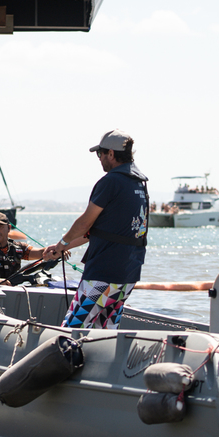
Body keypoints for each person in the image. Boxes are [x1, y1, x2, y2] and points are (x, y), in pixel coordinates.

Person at [48, 129, 149, 328]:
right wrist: (62, 247)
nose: (99, 158)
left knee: (72, 329)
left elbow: (85, 223)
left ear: (111, 153)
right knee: (105, 330)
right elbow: (98, 231)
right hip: (127, 275)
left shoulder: (111, 181)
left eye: (100, 153)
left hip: (102, 275)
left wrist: (63, 243)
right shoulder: (139, 183)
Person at [0, 212, 54, 291]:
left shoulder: (17, 247)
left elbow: (41, 252)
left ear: (8, 228)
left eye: (0, 226)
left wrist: (56, 250)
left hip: (10, 294)